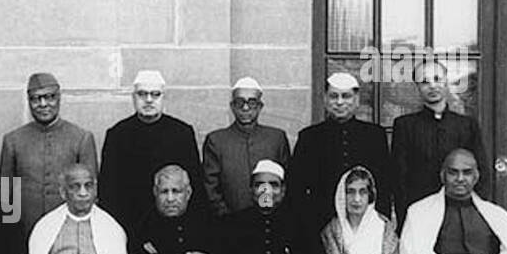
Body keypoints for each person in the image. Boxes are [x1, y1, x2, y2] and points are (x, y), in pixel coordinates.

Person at [285, 71, 392, 235]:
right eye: (334, 96)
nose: (340, 102)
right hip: (320, 223)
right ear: (325, 100)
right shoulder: (309, 137)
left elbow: (383, 185)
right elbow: (296, 188)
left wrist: (381, 223)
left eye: (346, 96)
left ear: (356, 101)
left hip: (365, 222)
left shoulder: (374, 136)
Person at [99, 69, 203, 234]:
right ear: (134, 98)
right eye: (142, 94)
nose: (148, 100)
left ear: (163, 97)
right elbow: (108, 192)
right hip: (130, 227)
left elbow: (196, 188)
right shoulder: (117, 135)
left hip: (175, 228)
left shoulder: (182, 133)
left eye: (155, 94)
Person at [0, 72, 98, 240]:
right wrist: (10, 236)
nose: (43, 104)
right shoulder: (13, 140)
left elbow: (90, 193)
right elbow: (4, 195)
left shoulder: (81, 138)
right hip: (24, 230)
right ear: (29, 101)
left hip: (68, 231)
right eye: (36, 99)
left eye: (49, 97)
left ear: (59, 98)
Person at [391, 60, 489, 226]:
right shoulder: (405, 125)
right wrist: (404, 219)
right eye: (424, 82)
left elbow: (481, 173)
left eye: (437, 79)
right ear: (417, 87)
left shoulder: (466, 125)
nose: (432, 86)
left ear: (446, 81)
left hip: (459, 212)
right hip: (419, 213)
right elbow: (399, 177)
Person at [201, 77, 291, 219]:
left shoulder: (276, 138)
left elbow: (286, 183)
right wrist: (227, 218)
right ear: (232, 106)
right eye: (240, 102)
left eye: (252, 102)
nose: (245, 107)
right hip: (230, 225)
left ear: (260, 106)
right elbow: (210, 188)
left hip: (272, 224)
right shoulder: (216, 141)